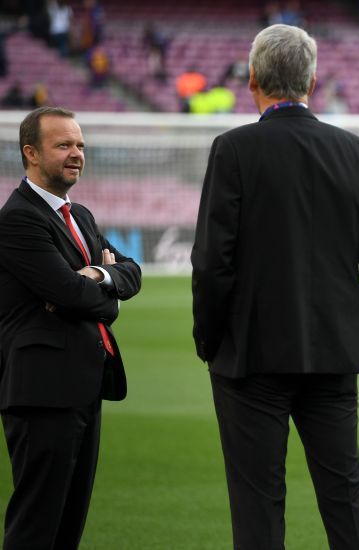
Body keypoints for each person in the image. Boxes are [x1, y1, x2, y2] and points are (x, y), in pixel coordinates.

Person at [191, 24, 359, 550]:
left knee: (257, 503)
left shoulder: (233, 149)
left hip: (250, 358)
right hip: (331, 355)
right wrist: (351, 336)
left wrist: (210, 341)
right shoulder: (357, 152)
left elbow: (213, 262)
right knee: (345, 498)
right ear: (312, 80)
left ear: (253, 80)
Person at [0, 106, 142, 549]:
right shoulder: (19, 218)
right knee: (36, 525)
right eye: (63, 145)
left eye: (80, 144)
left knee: (68, 526)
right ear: (31, 153)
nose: (76, 153)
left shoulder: (79, 215)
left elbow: (131, 274)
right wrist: (97, 290)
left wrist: (99, 275)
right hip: (42, 389)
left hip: (82, 384)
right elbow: (68, 292)